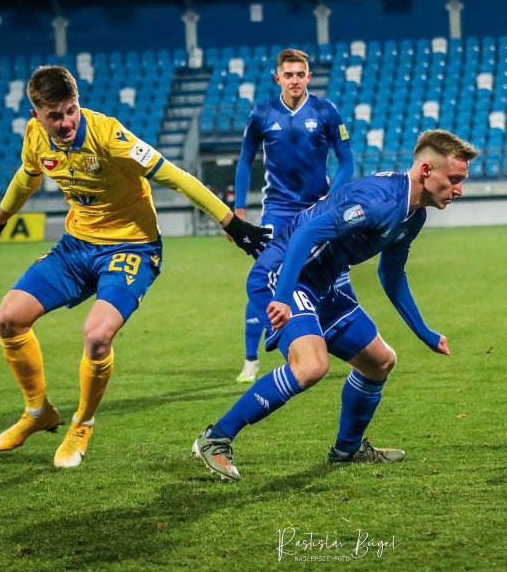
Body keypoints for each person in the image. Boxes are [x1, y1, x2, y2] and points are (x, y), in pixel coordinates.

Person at [0, 65, 270, 468]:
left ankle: (82, 424)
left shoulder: (108, 135)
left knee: (97, 336)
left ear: (78, 103)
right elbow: (27, 178)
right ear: (36, 115)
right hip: (77, 245)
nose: (65, 122)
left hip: (132, 248)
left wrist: (231, 223)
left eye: (71, 111)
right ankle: (38, 411)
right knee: (8, 318)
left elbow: (176, 177)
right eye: (54, 115)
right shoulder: (35, 137)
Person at [192, 129, 479, 482]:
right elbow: (306, 233)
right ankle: (216, 437)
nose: (458, 190)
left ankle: (347, 448)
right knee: (311, 366)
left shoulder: (413, 215)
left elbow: (391, 275)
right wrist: (282, 296)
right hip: (283, 274)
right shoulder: (378, 200)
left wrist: (424, 332)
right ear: (425, 170)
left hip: (321, 284)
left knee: (380, 361)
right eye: (454, 180)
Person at [232, 48, 355, 384]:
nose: (295, 80)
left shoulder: (326, 111)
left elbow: (347, 162)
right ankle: (251, 359)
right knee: (265, 274)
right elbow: (244, 161)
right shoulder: (262, 114)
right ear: (278, 78)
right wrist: (239, 209)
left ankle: (352, 347)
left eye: (301, 74)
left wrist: (331, 199)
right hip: (278, 210)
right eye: (289, 75)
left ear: (309, 77)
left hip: (318, 207)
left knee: (337, 273)